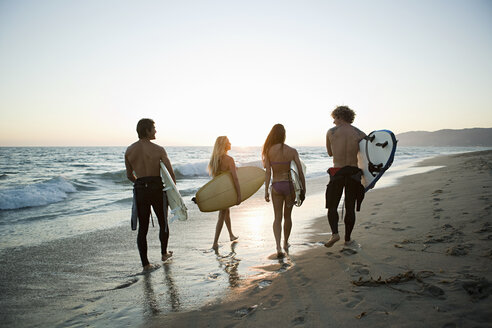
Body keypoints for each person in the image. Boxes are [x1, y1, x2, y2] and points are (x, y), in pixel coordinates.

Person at [125, 118, 176, 270]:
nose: (155, 131)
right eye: (154, 128)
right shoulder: (159, 149)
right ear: (147, 130)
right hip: (156, 188)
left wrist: (140, 184)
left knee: (143, 228)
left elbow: (129, 175)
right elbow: (170, 174)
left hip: (140, 188)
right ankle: (164, 253)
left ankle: (145, 264)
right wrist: (174, 193)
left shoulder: (129, 151)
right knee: (163, 223)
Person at [324, 106, 366, 248]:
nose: (334, 122)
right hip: (353, 172)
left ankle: (335, 233)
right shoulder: (360, 133)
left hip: (338, 172)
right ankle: (348, 240)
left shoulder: (331, 132)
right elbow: (366, 155)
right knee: (350, 207)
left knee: (332, 206)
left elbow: (330, 153)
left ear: (340, 117)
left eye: (334, 118)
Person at [262, 124, 305, 257]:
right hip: (289, 187)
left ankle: (278, 247)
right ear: (283, 135)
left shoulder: (268, 151)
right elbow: (300, 172)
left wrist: (266, 191)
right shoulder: (292, 151)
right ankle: (286, 242)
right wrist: (303, 189)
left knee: (277, 218)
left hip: (276, 186)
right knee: (287, 217)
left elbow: (268, 172)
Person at [208, 136, 241, 250]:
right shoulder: (229, 159)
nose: (230, 143)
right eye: (228, 142)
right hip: (227, 191)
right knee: (222, 215)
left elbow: (217, 177)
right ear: (224, 145)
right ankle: (215, 242)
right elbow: (235, 179)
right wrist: (239, 194)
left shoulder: (214, 160)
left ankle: (231, 235)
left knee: (226, 212)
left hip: (218, 190)